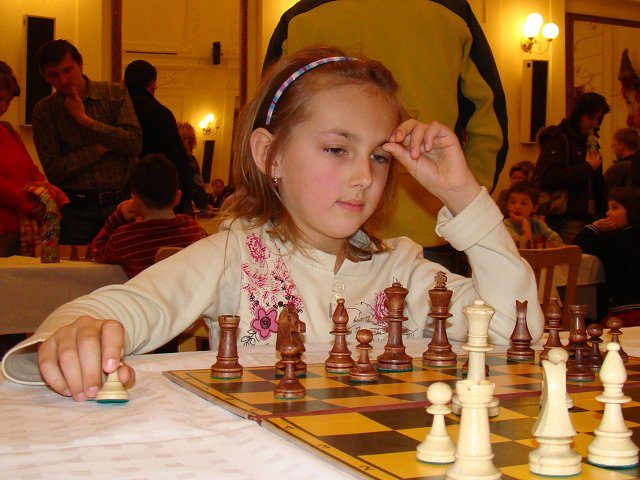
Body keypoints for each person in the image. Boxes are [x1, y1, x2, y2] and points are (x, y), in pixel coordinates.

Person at [1, 46, 543, 402]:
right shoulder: (233, 256)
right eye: (337, 149)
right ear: (270, 155)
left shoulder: (403, 267)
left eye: (379, 157)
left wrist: (462, 194)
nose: (363, 177)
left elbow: (515, 331)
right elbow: (118, 308)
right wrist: (75, 336)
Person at [263, 0, 508, 248]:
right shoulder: (451, 11)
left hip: (314, 232)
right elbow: (488, 122)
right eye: (335, 149)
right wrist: (464, 202)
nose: (365, 178)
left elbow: (269, 117)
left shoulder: (300, 17)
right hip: (429, 228)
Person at [32, 40, 142, 245]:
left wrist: (86, 121)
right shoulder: (44, 111)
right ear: (46, 77)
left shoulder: (114, 93)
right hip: (75, 210)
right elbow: (54, 170)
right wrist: (101, 147)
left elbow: (134, 143)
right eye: (53, 75)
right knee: (74, 264)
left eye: (67, 70)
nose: (63, 80)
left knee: (122, 262)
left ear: (80, 64)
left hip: (119, 203)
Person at [90, 154, 204, 278]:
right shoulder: (192, 230)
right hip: (187, 291)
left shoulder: (124, 239)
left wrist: (117, 217)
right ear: (177, 197)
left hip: (145, 291)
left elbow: (96, 250)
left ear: (136, 202)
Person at [533, 92, 610, 244]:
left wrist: (606, 212)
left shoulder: (590, 141)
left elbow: (597, 182)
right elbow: (548, 178)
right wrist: (587, 167)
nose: (595, 124)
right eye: (591, 118)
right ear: (580, 115)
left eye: (598, 119)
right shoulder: (559, 138)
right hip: (565, 218)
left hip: (588, 216)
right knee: (569, 257)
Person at [124, 60, 193, 213]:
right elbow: (177, 158)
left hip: (116, 193)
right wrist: (183, 200)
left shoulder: (113, 110)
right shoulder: (160, 113)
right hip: (151, 196)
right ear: (152, 85)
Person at [573, 187, 640, 326]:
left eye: (615, 208)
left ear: (632, 210)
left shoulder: (617, 240)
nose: (608, 213)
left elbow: (577, 246)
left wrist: (595, 227)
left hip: (626, 311)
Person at [0, 61, 46, 256]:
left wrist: (44, 194)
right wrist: (27, 203)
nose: (3, 107)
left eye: (8, 101)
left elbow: (31, 169)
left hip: (20, 231)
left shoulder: (7, 129)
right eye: (0, 99)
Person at [503, 181, 564, 249]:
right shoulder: (505, 225)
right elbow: (523, 247)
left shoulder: (538, 224)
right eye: (512, 202)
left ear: (534, 208)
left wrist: (537, 246)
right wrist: (524, 222)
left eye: (523, 203)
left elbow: (559, 242)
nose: (517, 206)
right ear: (507, 205)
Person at [176, 121, 211, 210]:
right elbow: (197, 189)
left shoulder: (163, 158)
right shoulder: (190, 161)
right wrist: (205, 206)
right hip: (181, 210)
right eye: (191, 147)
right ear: (187, 143)